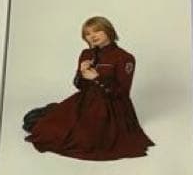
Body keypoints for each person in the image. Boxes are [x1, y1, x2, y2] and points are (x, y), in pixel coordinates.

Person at [24, 16, 154, 160]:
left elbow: (122, 93)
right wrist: (81, 72)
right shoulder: (86, 54)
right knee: (45, 128)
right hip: (85, 101)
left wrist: (97, 78)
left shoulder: (125, 58)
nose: (92, 36)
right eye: (87, 33)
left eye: (97, 31)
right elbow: (79, 86)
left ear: (108, 31)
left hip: (110, 108)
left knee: (84, 139)